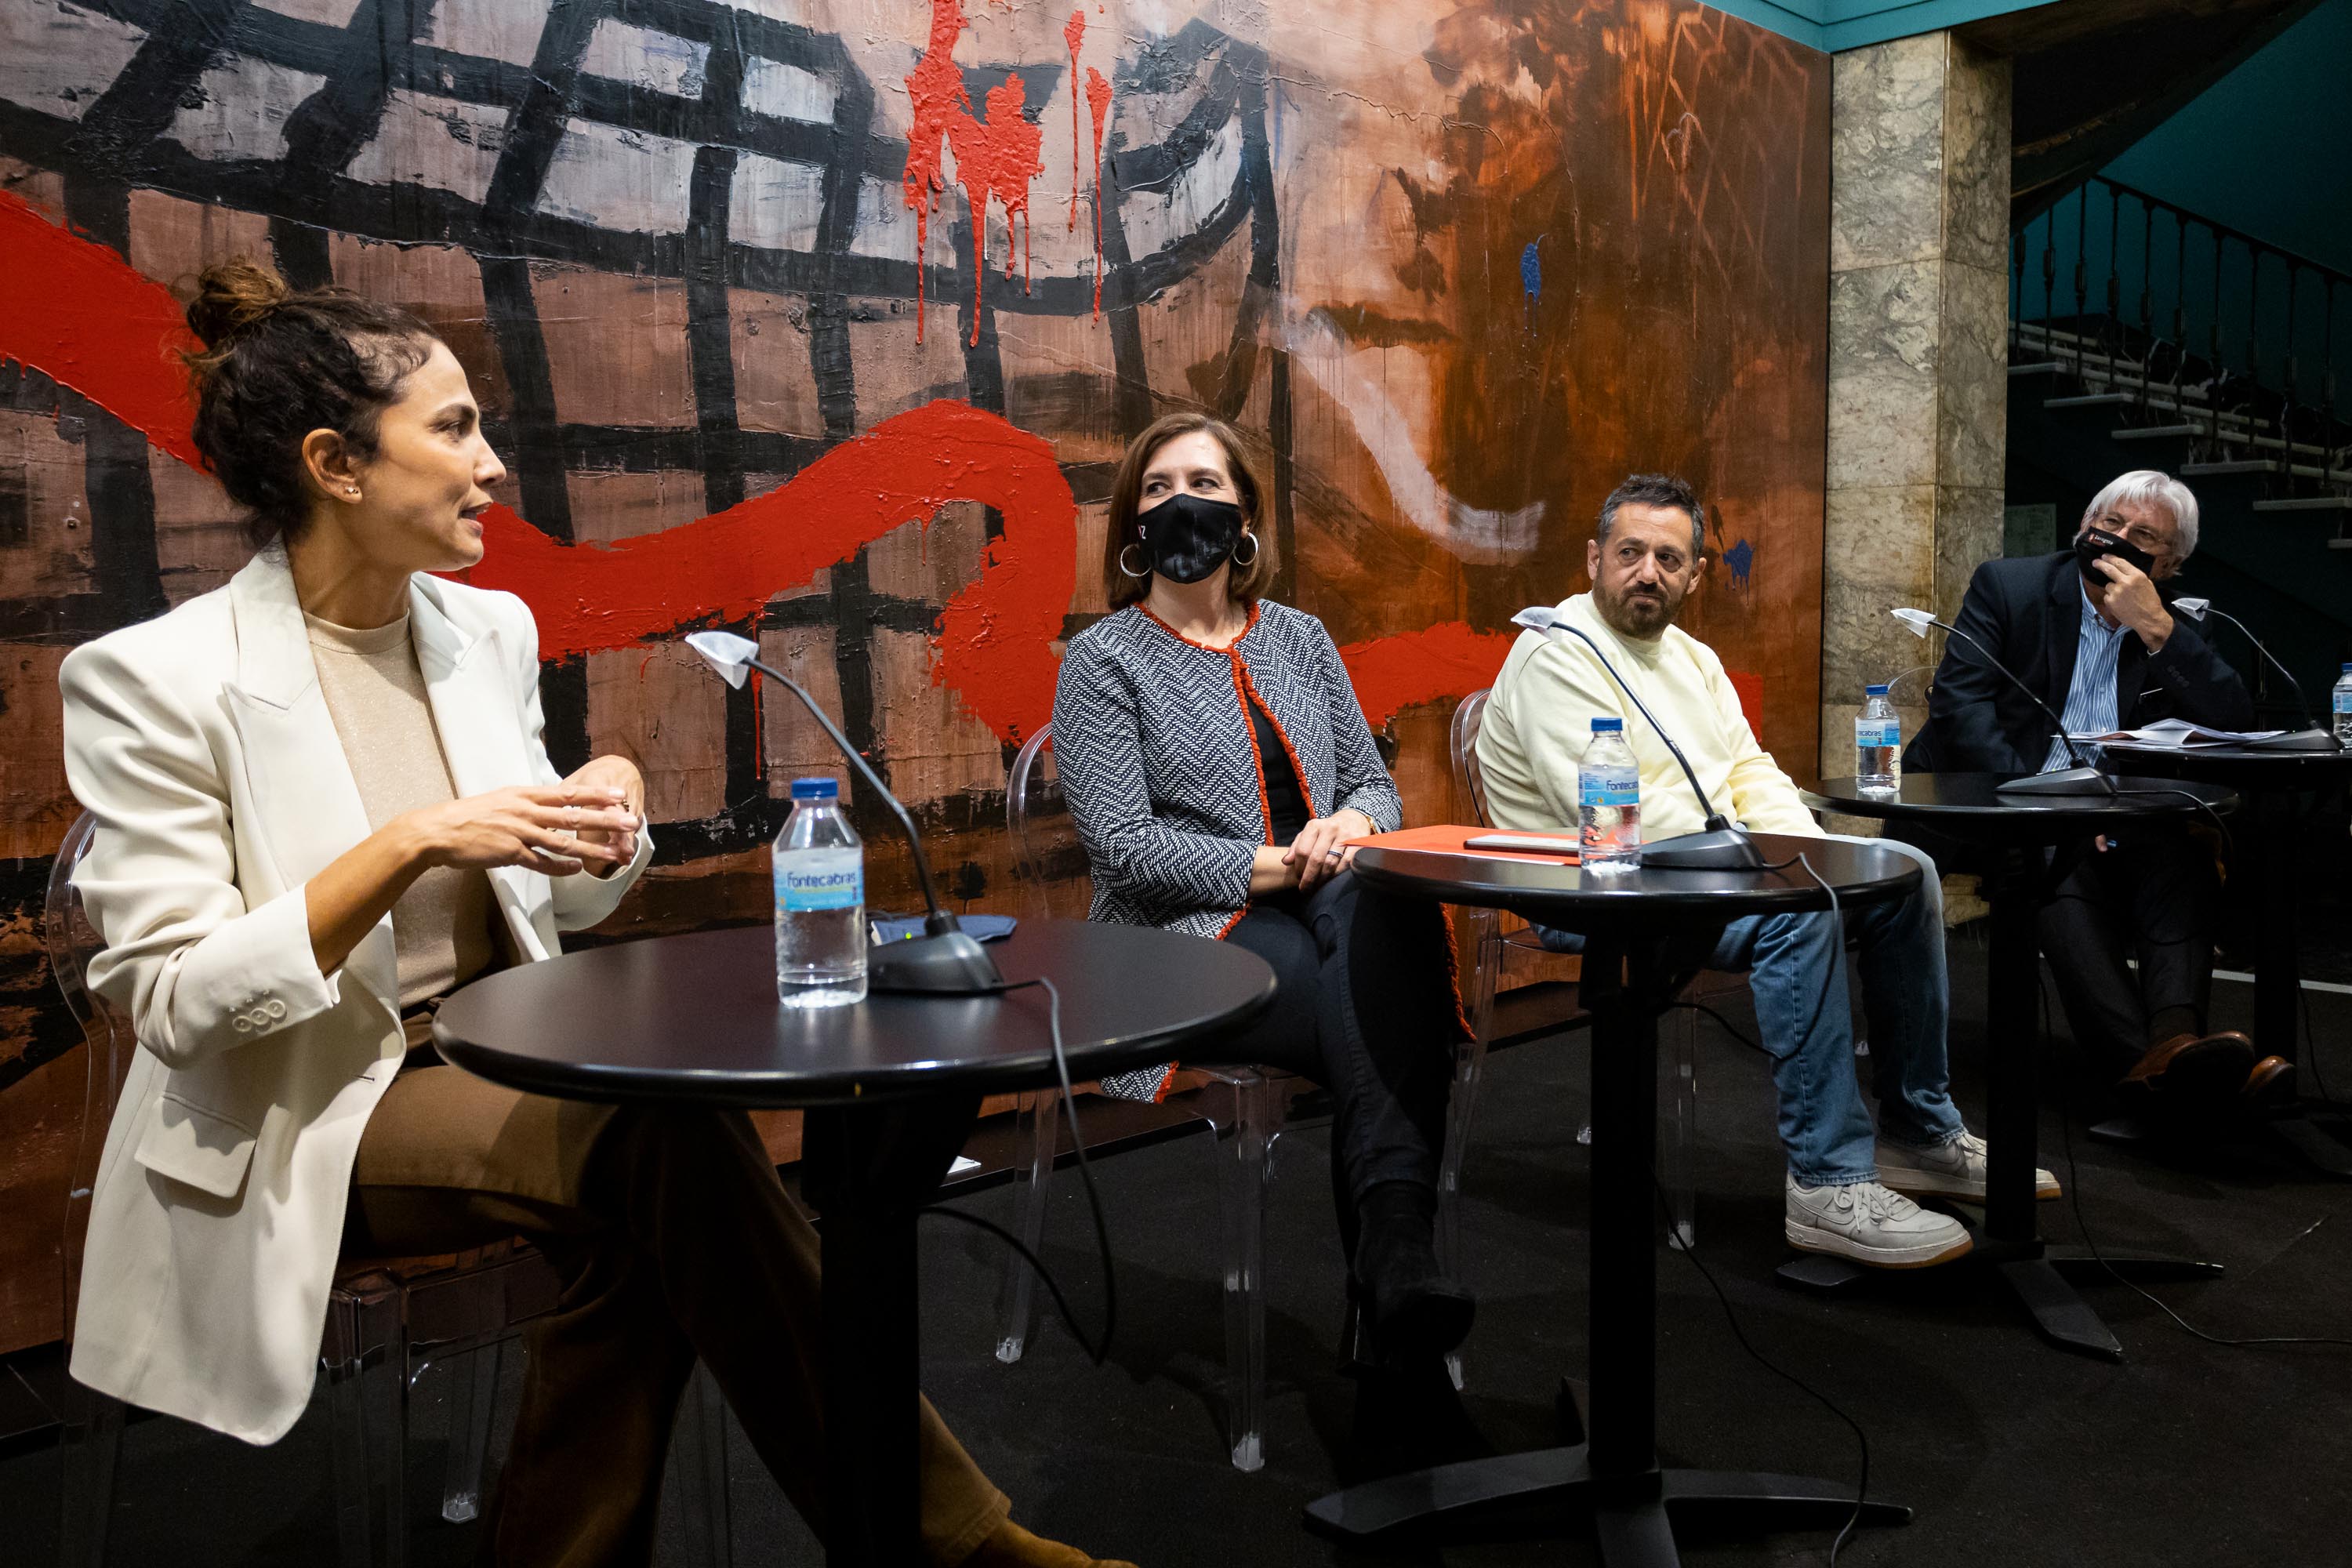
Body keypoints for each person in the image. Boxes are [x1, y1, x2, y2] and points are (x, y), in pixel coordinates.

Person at [58, 262, 1123, 1568]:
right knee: (659, 1131)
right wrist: (406, 844)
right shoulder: (154, 679)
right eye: (455, 429)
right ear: (337, 466)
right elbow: (173, 1003)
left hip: (500, 1055)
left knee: (645, 1218)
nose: (493, 466)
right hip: (306, 1108)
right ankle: (962, 1546)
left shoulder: (483, 632)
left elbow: (552, 898)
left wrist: (601, 815)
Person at [1476, 474, 2055, 1269]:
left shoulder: (1693, 658)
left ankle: (1918, 1132)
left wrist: (1809, 852)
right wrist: (1781, 873)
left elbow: (1749, 770)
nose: (1647, 572)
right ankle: (1827, 1182)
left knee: (1908, 870)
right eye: (1630, 552)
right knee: (1800, 911)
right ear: (1594, 558)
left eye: (1668, 559)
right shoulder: (1554, 652)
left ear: (1695, 575)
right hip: (1593, 882)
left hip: (1708, 867)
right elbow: (1621, 810)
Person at [1051, 412, 1473, 1364]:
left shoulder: (1301, 636)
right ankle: (1396, 1270)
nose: (1181, 502)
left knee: (1381, 911)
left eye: (1204, 483)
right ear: (1132, 524)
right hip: (1177, 936)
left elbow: (1373, 784)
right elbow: (1123, 850)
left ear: (1243, 513)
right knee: (1382, 1000)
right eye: (1158, 487)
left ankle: (1395, 1272)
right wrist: (1285, 862)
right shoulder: (1103, 659)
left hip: (1329, 906)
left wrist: (1352, 825)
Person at [1904, 470, 2288, 1117]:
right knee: (2058, 863)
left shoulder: (2179, 621)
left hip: (2120, 814)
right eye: (2109, 523)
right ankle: (2147, 1070)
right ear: (2084, 527)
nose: (2119, 539)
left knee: (2182, 861)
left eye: (2145, 536)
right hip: (2007, 800)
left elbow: (2234, 722)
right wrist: (2047, 802)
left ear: (2169, 564)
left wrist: (2156, 629)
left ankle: (2174, 1043)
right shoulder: (2011, 586)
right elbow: (1962, 711)